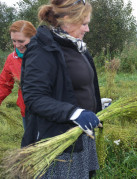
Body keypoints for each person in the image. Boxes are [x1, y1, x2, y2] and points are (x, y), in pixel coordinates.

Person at [20, 0, 103, 178]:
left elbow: (77, 86)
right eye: (84, 23)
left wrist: (96, 104)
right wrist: (74, 113)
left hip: (81, 136)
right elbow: (35, 98)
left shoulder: (76, 47)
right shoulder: (42, 48)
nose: (87, 29)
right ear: (66, 19)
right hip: (58, 140)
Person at [0, 20, 36, 130]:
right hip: (26, 110)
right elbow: (4, 84)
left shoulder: (44, 55)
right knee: (30, 144)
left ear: (33, 38)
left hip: (48, 110)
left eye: (21, 41)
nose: (17, 45)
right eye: (14, 41)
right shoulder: (12, 58)